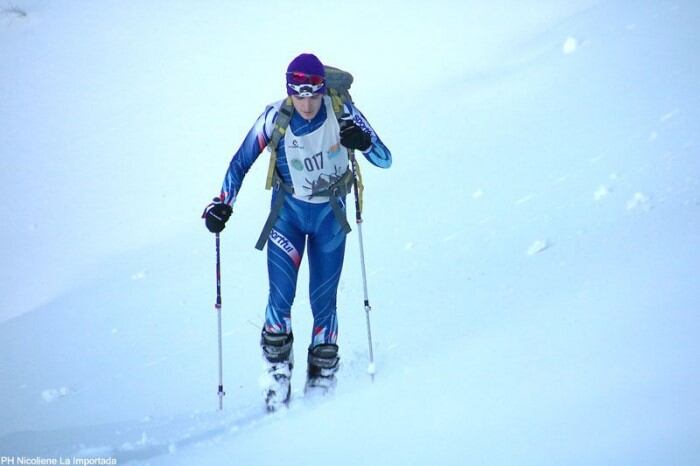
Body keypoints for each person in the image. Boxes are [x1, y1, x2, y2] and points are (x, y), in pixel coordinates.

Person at [203, 53, 391, 411]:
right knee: (280, 298)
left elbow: (384, 158)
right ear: (289, 91)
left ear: (323, 89)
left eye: (313, 92)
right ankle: (276, 373)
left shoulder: (343, 111)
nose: (306, 102)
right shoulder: (276, 116)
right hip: (287, 215)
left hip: (330, 218)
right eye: (298, 93)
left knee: (324, 303)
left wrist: (363, 142)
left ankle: (322, 380)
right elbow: (240, 162)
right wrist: (222, 203)